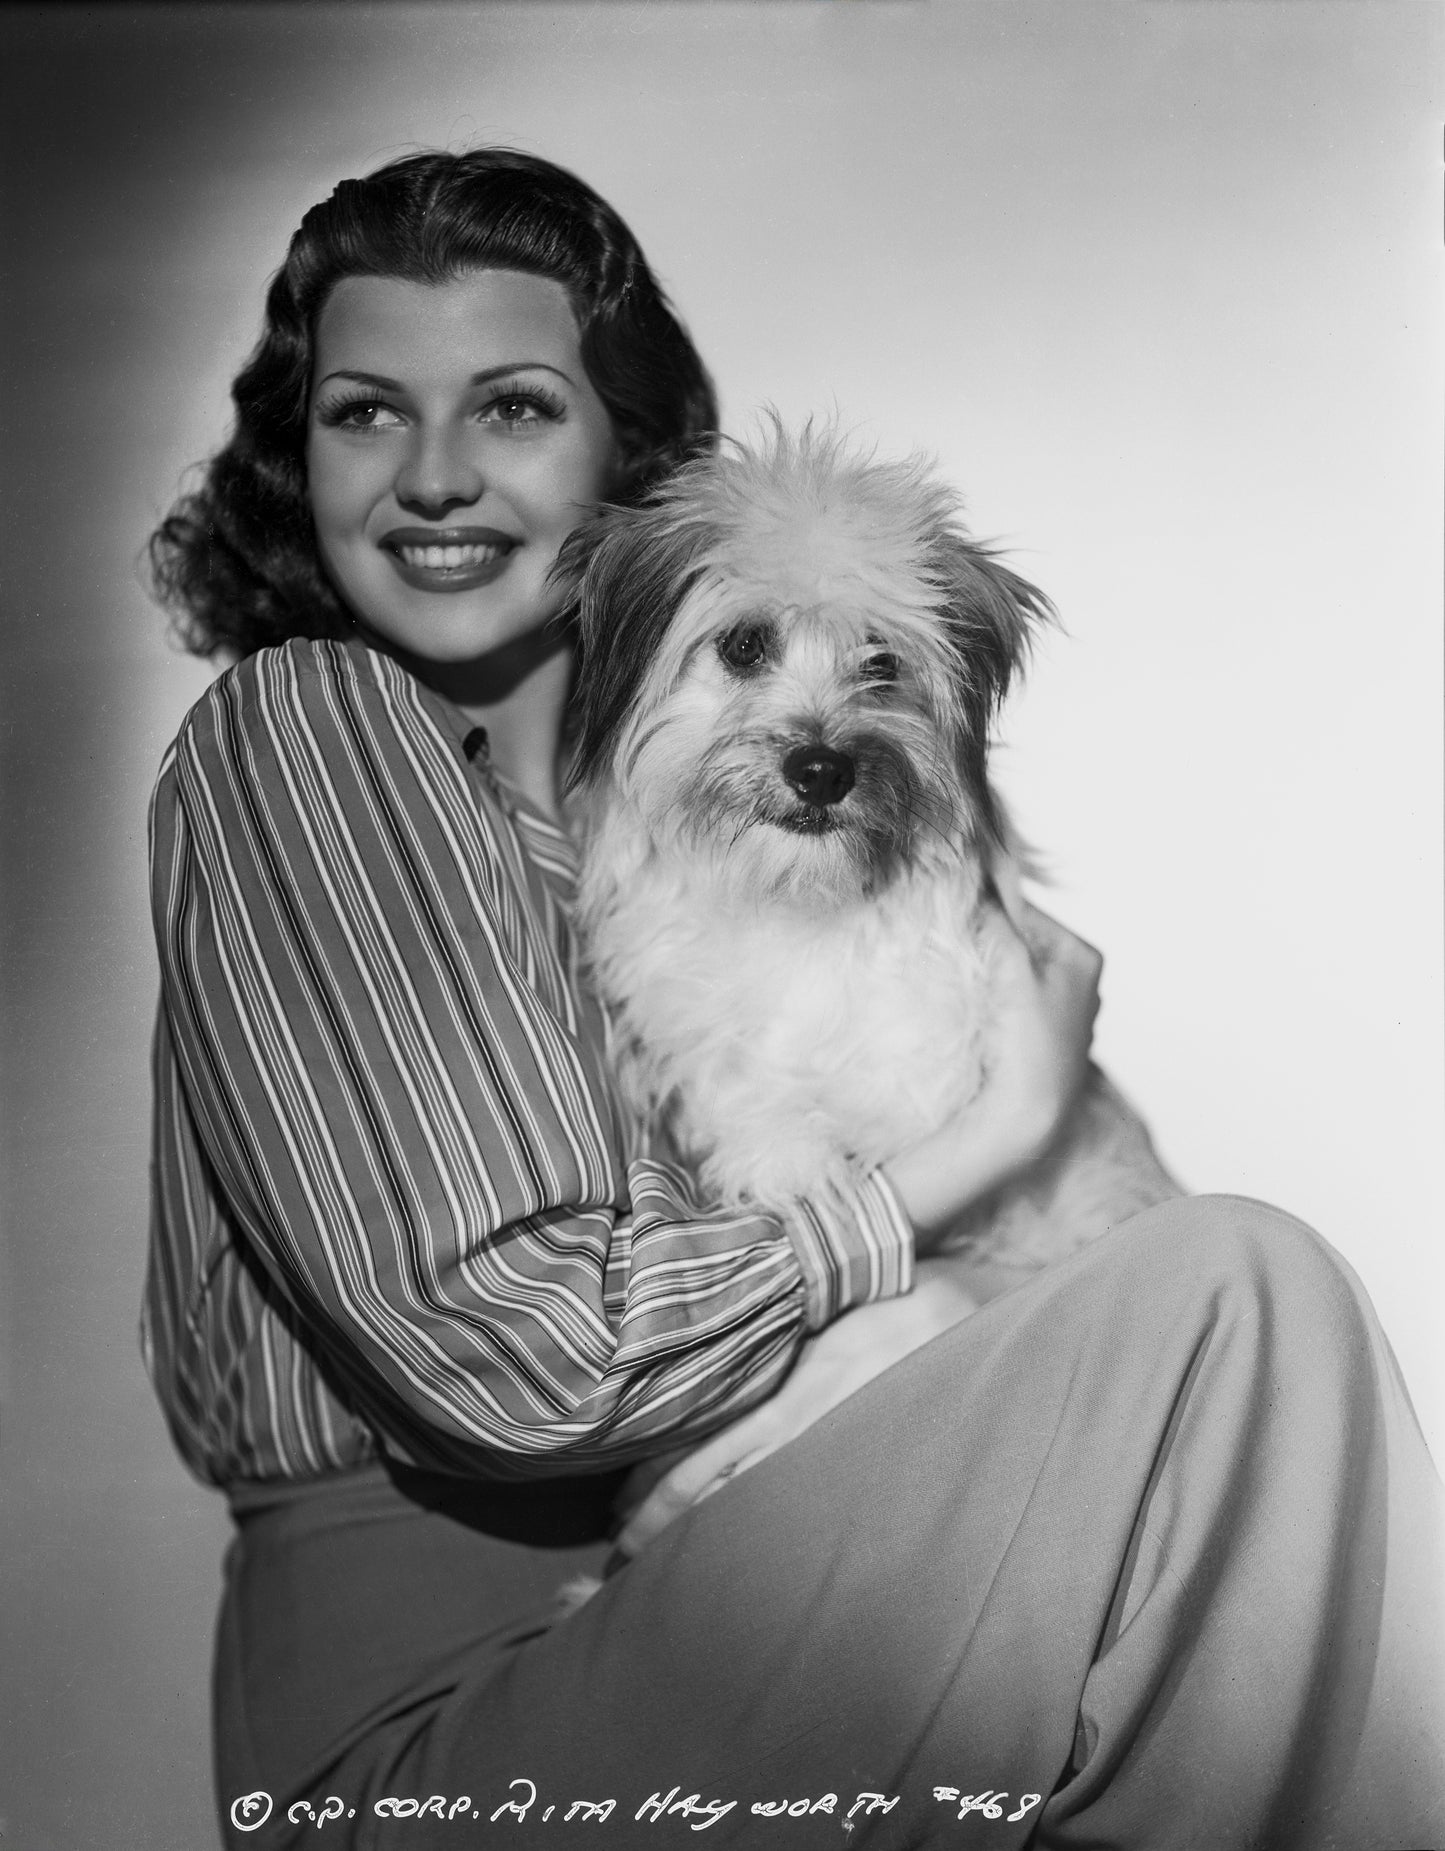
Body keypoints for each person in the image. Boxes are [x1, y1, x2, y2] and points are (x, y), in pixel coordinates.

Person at [145, 148, 1444, 1850]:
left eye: (516, 408)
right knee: (1230, 1293)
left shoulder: (627, 849)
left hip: (720, 1585)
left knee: (1221, 1383)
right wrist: (984, 1148)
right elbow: (510, 1362)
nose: (437, 478)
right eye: (366, 413)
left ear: (629, 468)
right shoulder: (315, 732)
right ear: (295, 453)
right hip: (447, 1721)